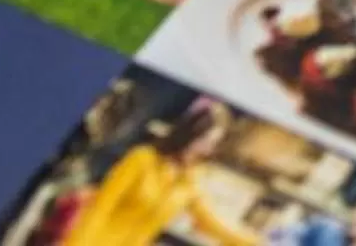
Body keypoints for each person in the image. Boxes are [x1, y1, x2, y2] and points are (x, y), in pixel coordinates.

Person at [59, 98, 262, 246]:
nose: (206, 150)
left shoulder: (189, 180)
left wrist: (254, 242)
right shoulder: (142, 159)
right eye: (204, 142)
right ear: (188, 136)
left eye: (212, 144)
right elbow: (99, 208)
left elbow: (209, 222)